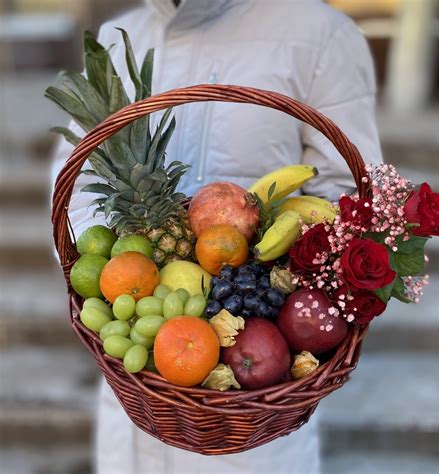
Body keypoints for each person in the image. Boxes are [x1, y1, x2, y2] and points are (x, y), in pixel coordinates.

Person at [51, 0, 382, 472]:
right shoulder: (120, 35)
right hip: (136, 396)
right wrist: (105, 263)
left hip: (257, 414)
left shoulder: (321, 33)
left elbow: (343, 194)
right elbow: (78, 180)